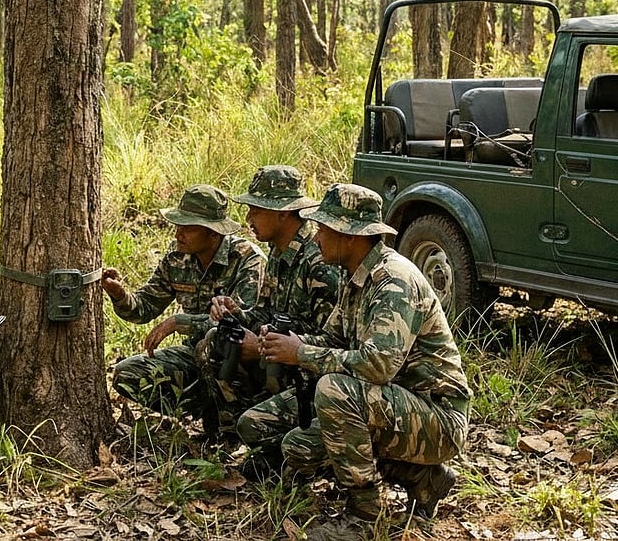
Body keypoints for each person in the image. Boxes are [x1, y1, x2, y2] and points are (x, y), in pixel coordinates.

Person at [245, 184, 469, 528]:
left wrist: (302, 353)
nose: (316, 237)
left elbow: (378, 366)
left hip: (437, 418)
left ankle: (364, 517)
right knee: (275, 433)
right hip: (392, 404)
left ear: (349, 236)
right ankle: (422, 478)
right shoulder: (356, 277)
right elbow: (332, 338)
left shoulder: (394, 280)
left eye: (323, 229)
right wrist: (285, 343)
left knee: (334, 390)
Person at [205, 166, 342, 478]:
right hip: (284, 362)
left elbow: (333, 340)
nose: (249, 220)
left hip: (314, 376)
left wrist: (265, 348)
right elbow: (266, 313)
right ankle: (246, 437)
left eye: (256, 210)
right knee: (218, 339)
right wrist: (234, 313)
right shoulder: (279, 254)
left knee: (255, 423)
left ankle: (303, 452)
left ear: (283, 214)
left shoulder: (318, 261)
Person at [100, 184, 265, 436]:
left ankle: (237, 424)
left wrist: (180, 322)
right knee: (127, 373)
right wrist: (119, 294)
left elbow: (242, 324)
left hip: (241, 360)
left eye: (188, 228)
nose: (178, 234)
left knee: (212, 345)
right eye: (178, 225)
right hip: (197, 355)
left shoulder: (246, 259)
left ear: (213, 233)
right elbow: (143, 308)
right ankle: (205, 412)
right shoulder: (177, 259)